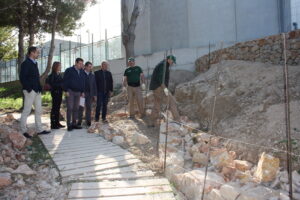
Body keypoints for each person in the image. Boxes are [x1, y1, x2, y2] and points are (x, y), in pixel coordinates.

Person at [19, 46, 51, 138]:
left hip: (37, 90)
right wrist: (29, 89)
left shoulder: (35, 63)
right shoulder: (26, 63)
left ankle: (39, 129)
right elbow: (22, 78)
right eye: (37, 52)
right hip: (30, 91)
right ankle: (23, 130)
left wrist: (39, 88)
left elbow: (36, 77)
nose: (38, 54)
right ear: (32, 53)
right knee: (27, 110)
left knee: (38, 110)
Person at [148, 55, 180, 127]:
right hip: (159, 87)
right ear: (169, 59)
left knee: (157, 104)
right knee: (172, 101)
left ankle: (151, 122)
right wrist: (165, 88)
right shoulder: (163, 65)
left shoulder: (163, 64)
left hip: (155, 87)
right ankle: (177, 121)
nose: (172, 63)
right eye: (172, 62)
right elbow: (160, 78)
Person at [63, 58, 85, 131]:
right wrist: (65, 90)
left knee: (76, 108)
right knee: (70, 108)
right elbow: (65, 81)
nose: (81, 65)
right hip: (70, 91)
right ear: (75, 63)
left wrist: (82, 92)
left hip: (78, 92)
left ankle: (74, 123)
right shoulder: (69, 70)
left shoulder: (82, 71)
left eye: (82, 64)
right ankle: (69, 124)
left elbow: (82, 82)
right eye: (80, 64)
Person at [78, 62, 97, 127]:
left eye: (91, 66)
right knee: (81, 107)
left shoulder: (92, 75)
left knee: (89, 108)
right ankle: (79, 122)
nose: (90, 68)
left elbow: (94, 85)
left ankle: (88, 122)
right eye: (89, 66)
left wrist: (95, 95)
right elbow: (79, 84)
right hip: (82, 94)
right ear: (85, 67)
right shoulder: (81, 74)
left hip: (90, 94)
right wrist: (81, 92)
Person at [46, 62, 65, 129]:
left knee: (57, 108)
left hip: (59, 93)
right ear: (56, 66)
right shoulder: (52, 75)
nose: (61, 67)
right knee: (54, 108)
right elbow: (52, 85)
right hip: (55, 93)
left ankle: (57, 122)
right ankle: (53, 124)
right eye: (59, 66)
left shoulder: (59, 74)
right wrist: (60, 85)